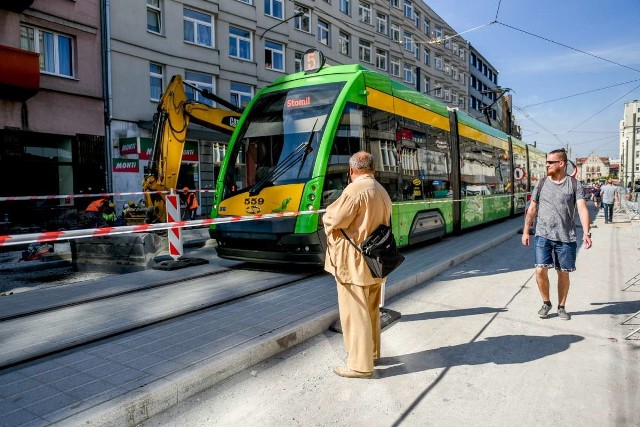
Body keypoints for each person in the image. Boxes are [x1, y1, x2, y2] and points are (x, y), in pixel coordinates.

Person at [322, 151, 392, 379]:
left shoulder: (354, 190)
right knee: (370, 311)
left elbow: (336, 218)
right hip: (376, 261)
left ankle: (360, 366)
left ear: (352, 170)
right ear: (372, 168)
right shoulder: (381, 190)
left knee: (355, 313)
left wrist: (326, 215)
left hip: (354, 263)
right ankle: (371, 354)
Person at [521, 148, 592, 321]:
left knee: (563, 273)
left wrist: (586, 232)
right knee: (540, 270)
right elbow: (532, 209)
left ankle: (561, 306)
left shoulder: (574, 185)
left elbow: (582, 209)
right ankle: (546, 303)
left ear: (561, 164)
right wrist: (526, 231)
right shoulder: (542, 183)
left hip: (566, 237)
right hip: (543, 234)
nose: (547, 165)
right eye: (546, 162)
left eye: (550, 162)